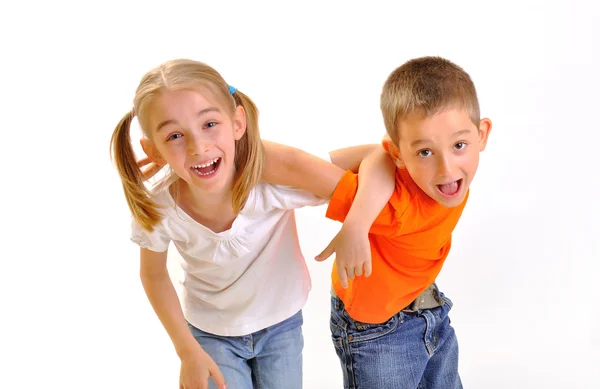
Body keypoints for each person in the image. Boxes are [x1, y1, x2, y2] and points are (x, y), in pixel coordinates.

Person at [109, 58, 394, 389]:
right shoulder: (160, 206)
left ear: (237, 123)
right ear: (153, 150)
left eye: (209, 124)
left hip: (281, 328)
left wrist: (356, 225)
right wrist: (187, 351)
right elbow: (153, 275)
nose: (197, 147)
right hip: (210, 334)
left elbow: (380, 155)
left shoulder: (273, 180)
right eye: (174, 135)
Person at [264, 56, 492, 389]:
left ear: (481, 134)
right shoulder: (392, 206)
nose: (447, 169)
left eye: (459, 145)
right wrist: (221, 149)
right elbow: (297, 166)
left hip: (430, 310)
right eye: (425, 152)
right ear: (399, 153)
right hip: (378, 334)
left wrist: (356, 224)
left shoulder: (444, 183)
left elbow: (377, 153)